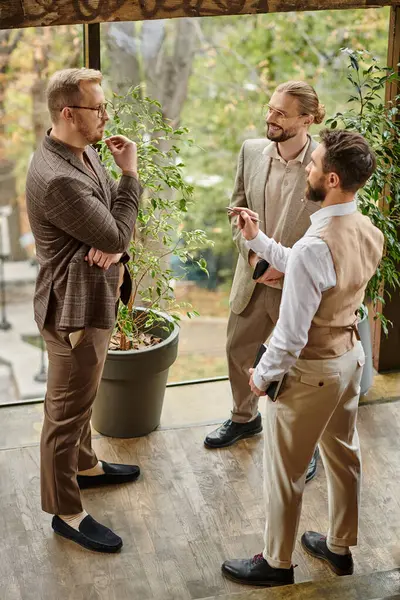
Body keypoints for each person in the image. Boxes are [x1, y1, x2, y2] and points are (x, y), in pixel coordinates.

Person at [221, 129, 384, 587]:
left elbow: (291, 335)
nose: (307, 170)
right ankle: (339, 548)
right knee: (344, 454)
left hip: (311, 370)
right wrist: (258, 239)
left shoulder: (318, 244)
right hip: (350, 359)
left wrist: (261, 377)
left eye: (313, 164)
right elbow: (310, 267)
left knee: (286, 472)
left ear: (330, 179)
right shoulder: (366, 229)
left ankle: (276, 564)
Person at [26, 68, 142, 553]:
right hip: (74, 309)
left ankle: (86, 465)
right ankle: (66, 511)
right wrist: (130, 175)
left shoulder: (76, 149)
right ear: (68, 113)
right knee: (65, 412)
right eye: (98, 108)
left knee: (82, 398)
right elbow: (115, 232)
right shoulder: (58, 179)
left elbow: (111, 234)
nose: (106, 117)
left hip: (90, 294)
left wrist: (114, 246)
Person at [205, 81, 325, 482]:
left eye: (280, 113)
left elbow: (329, 229)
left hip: (299, 285)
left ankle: (304, 444)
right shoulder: (251, 151)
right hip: (253, 279)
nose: (269, 117)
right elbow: (235, 212)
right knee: (238, 349)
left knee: (300, 367)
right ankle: (244, 419)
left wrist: (289, 267)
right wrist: (256, 257)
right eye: (269, 108)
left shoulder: (325, 161)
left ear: (307, 120)